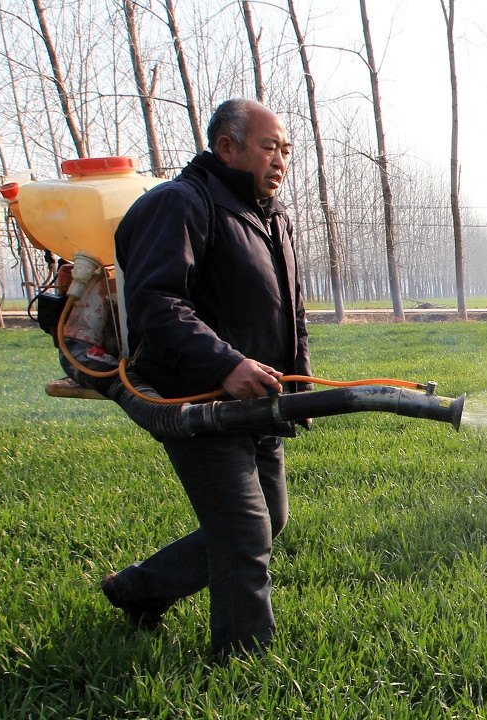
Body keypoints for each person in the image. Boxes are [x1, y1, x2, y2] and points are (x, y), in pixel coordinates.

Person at [102, 98, 311, 659]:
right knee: (245, 532)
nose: (281, 160)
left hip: (259, 399)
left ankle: (140, 589)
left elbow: (291, 314)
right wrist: (226, 365)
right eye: (270, 147)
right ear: (227, 147)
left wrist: (300, 386)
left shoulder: (271, 218)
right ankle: (245, 664)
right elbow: (157, 302)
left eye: (286, 150)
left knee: (271, 519)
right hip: (195, 398)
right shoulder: (180, 204)